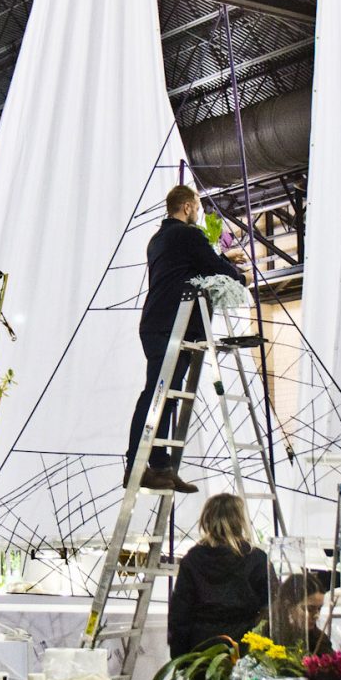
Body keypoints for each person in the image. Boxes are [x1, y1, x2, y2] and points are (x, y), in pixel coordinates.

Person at [125, 184, 247, 494]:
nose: (201, 213)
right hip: (170, 325)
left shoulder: (158, 240)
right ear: (188, 208)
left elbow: (188, 265)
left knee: (164, 395)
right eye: (199, 206)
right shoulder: (188, 236)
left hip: (158, 323)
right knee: (157, 393)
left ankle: (161, 466)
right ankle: (136, 466)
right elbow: (214, 267)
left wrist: (219, 257)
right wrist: (239, 275)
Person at [168, 495, 271, 680]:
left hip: (203, 653)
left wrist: (181, 658)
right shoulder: (256, 558)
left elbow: (180, 613)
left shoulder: (192, 559)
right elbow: (273, 606)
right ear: (240, 520)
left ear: (206, 519)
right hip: (244, 651)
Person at [271, 572, 331, 658]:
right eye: (309, 609)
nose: (316, 615)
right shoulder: (270, 635)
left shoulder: (320, 640)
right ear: (288, 605)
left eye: (319, 609)